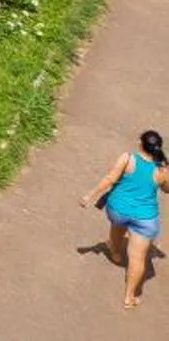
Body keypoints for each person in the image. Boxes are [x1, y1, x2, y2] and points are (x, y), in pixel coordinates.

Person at [86, 130, 169, 308]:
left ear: (140, 143)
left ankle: (115, 254)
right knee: (138, 258)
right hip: (145, 219)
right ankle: (129, 297)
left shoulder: (128, 158)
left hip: (118, 210)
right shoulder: (162, 169)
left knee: (118, 226)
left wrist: (89, 196)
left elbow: (110, 179)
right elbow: (167, 189)